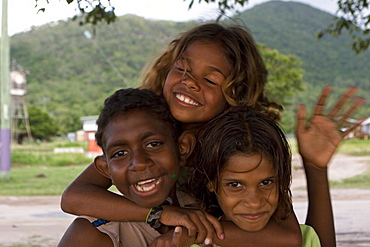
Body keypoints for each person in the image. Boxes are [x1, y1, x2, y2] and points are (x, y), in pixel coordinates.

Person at [60, 22, 364, 246]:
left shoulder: (238, 147)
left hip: (198, 239)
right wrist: (163, 215)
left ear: (235, 93)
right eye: (182, 69)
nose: (190, 82)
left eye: (209, 79)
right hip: (153, 231)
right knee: (83, 232)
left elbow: (288, 237)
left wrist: (188, 230)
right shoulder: (147, 132)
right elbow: (74, 197)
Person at [58, 88, 224, 246]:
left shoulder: (208, 204)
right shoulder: (92, 234)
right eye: (120, 153)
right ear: (106, 169)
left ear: (183, 148)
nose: (139, 163)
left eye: (153, 144)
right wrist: (159, 213)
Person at [157, 106, 321, 246]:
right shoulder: (185, 242)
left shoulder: (307, 238)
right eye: (235, 185)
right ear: (211, 183)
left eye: (266, 182)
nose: (254, 202)